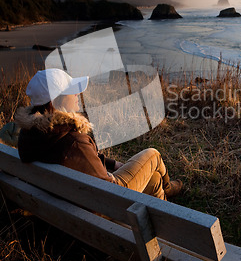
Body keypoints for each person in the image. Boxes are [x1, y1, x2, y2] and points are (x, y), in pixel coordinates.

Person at [15, 68, 182, 200]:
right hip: (107, 201)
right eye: (71, 91)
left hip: (71, 200)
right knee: (152, 154)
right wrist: (111, 172)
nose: (77, 95)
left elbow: (80, 160)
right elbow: (111, 188)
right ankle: (168, 188)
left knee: (153, 180)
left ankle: (163, 207)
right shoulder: (73, 141)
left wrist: (112, 163)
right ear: (54, 103)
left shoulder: (32, 135)